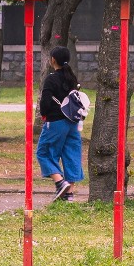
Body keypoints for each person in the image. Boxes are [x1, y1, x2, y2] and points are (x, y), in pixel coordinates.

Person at [36, 46, 84, 200]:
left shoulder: (51, 78)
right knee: (71, 154)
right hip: (73, 122)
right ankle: (68, 194)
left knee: (44, 153)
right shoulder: (72, 78)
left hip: (56, 122)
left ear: (53, 60)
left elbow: (45, 102)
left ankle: (60, 183)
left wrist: (44, 115)